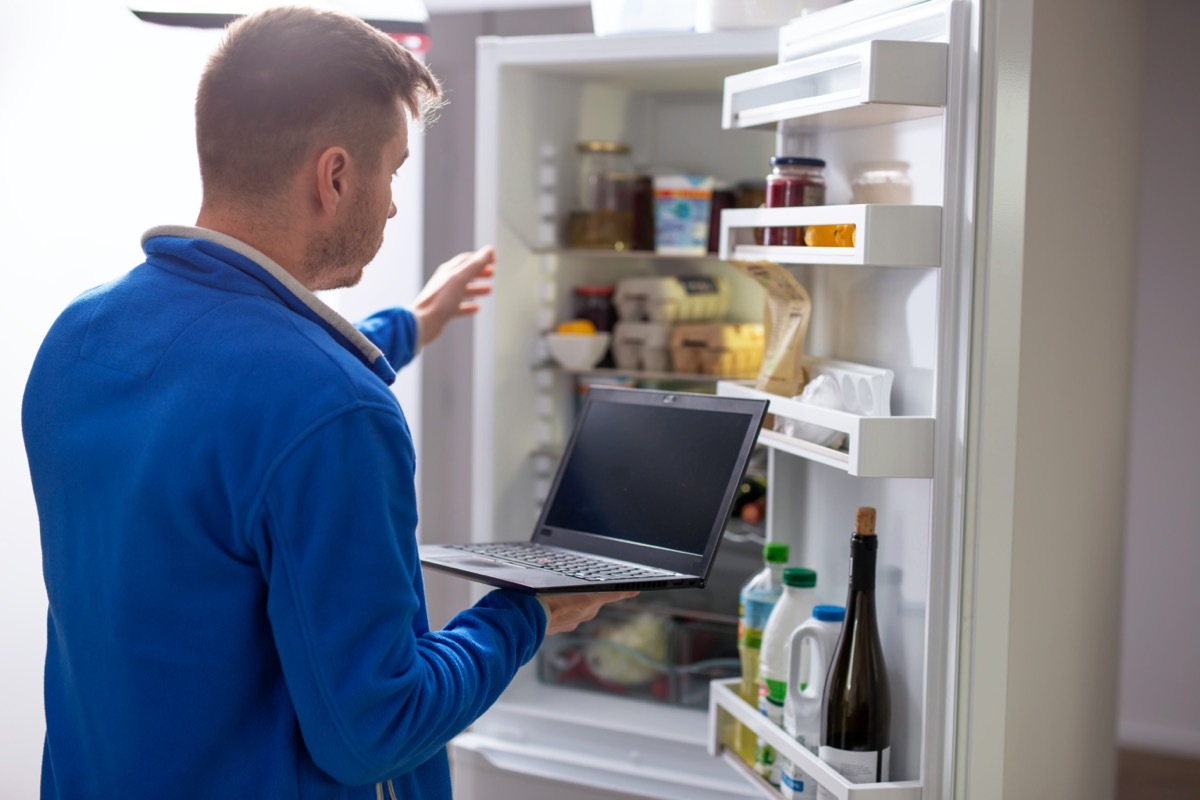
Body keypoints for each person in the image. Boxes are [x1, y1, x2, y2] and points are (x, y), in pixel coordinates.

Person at [21, 6, 634, 799]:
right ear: (336, 175)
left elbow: (226, 390)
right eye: (392, 171)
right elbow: (375, 730)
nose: (391, 205)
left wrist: (410, 325)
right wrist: (528, 612)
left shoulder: (81, 336)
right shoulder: (330, 409)